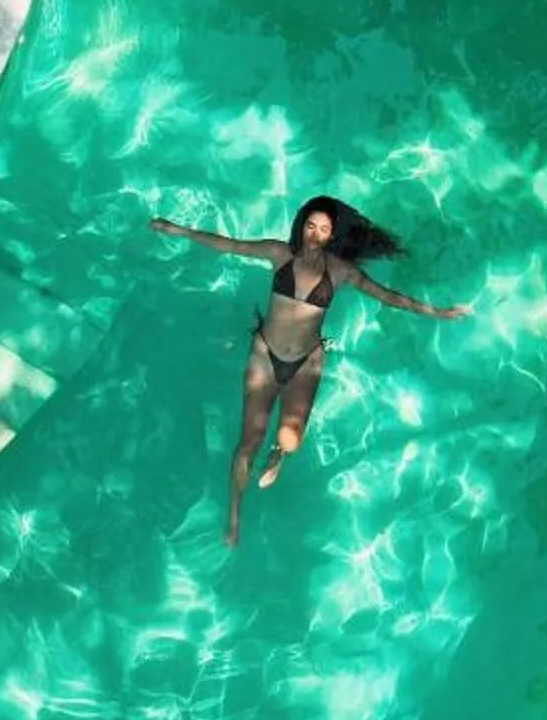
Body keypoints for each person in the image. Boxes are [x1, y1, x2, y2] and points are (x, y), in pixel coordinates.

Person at [147, 195, 469, 545]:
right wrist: (177, 230)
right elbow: (230, 245)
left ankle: (278, 453)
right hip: (265, 355)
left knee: (290, 439)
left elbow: (388, 296)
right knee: (247, 443)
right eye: (310, 226)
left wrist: (436, 312)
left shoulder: (341, 271)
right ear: (301, 226)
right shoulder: (278, 253)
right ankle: (234, 517)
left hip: (306, 362)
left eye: (323, 229)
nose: (315, 234)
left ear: (332, 235)